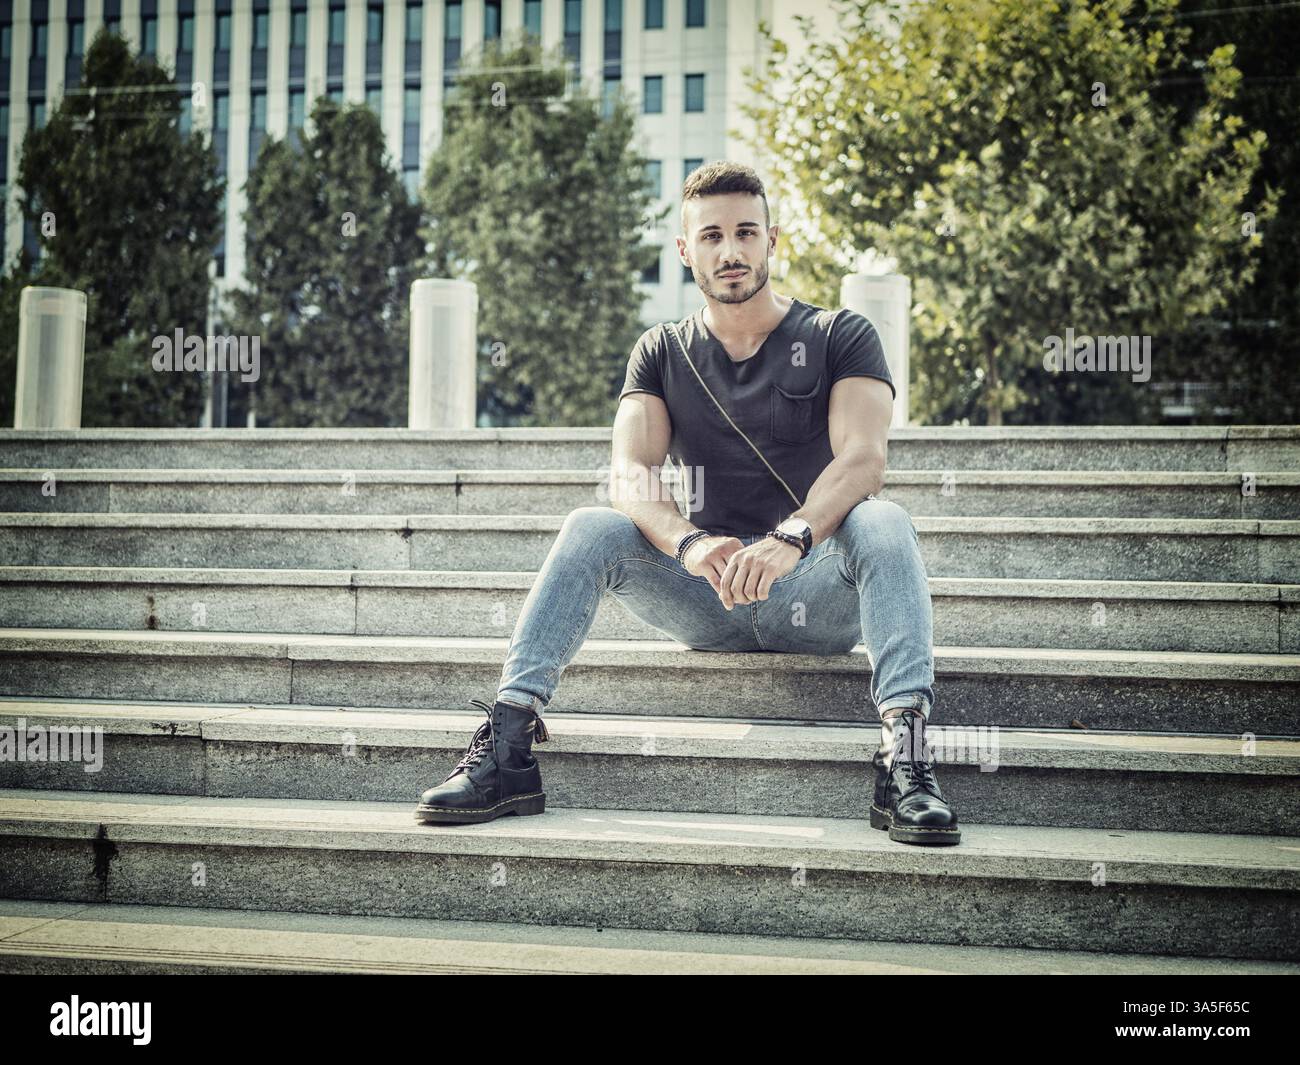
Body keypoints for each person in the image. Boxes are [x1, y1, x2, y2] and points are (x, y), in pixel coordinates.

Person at [415, 161, 960, 846]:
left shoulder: (839, 336)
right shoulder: (661, 351)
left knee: (884, 518)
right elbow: (632, 472)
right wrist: (691, 544)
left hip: (815, 591)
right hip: (707, 597)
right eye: (711, 236)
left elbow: (863, 460)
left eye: (745, 233)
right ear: (685, 250)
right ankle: (508, 747)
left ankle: (904, 760)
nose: (729, 252)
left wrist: (790, 537)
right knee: (592, 525)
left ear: (772, 241)